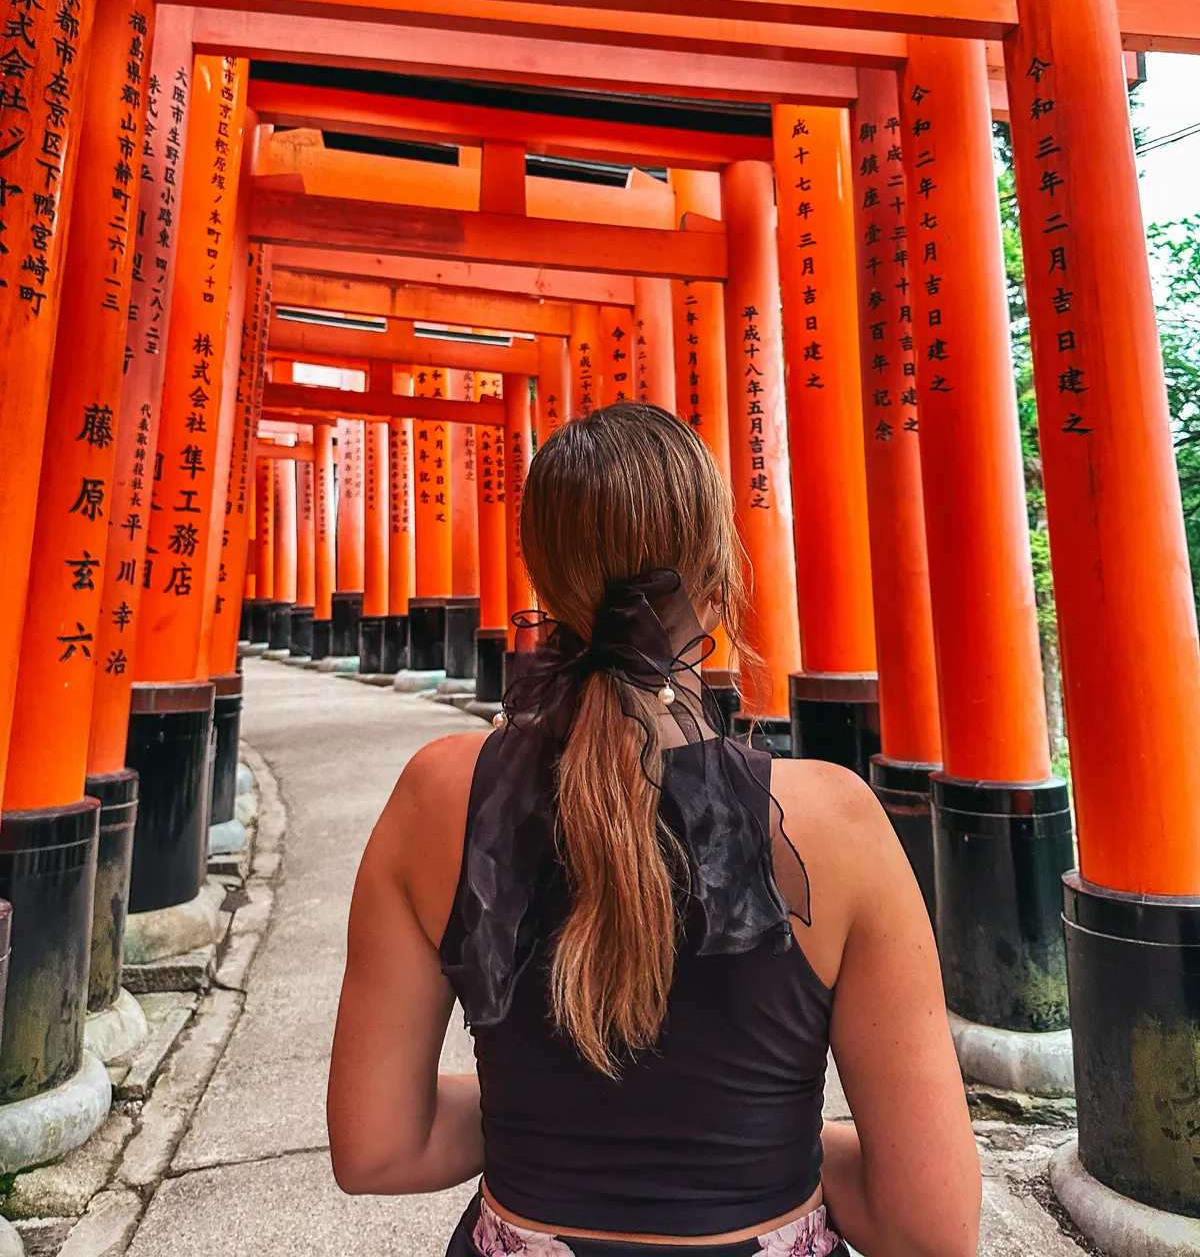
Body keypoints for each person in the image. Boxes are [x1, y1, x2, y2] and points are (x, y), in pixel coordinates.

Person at [328, 403, 980, 1257]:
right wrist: (755, 1139)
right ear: (714, 577)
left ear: (541, 573)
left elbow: (378, 1148)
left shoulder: (435, 796)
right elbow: (928, 1225)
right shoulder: (836, 823)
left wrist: (558, 1123)